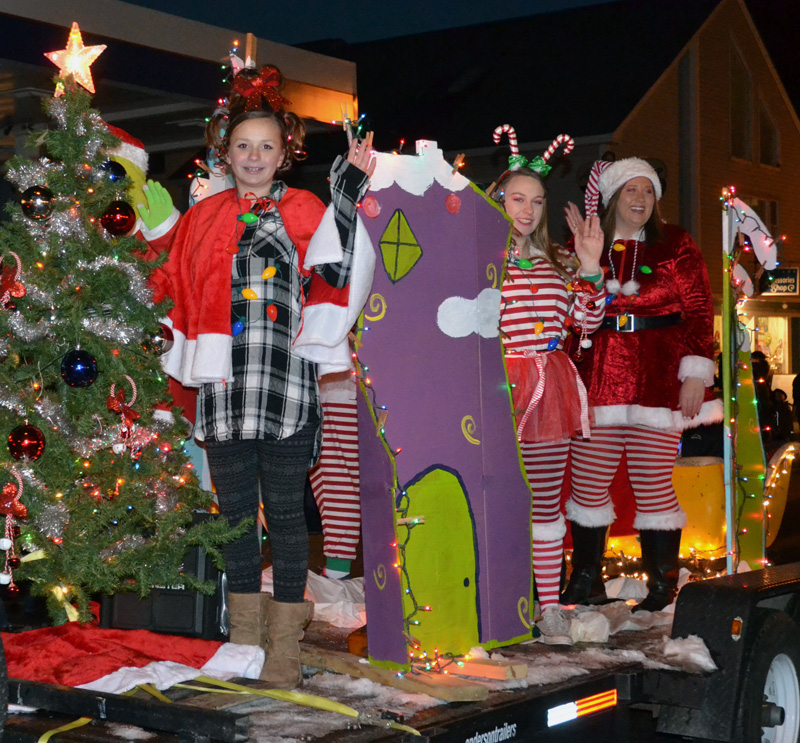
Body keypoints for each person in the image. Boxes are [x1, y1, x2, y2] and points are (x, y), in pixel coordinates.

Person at [148, 65, 375, 688]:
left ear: (284, 154)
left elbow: (341, 265)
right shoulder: (204, 217)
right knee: (234, 517)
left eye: (266, 146)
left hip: (288, 388)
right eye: (243, 145)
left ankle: (284, 647)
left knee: (286, 514)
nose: (253, 156)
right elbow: (170, 283)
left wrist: (347, 193)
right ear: (227, 152)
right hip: (224, 389)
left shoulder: (305, 209)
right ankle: (244, 639)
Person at [562, 158, 722, 612]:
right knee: (588, 484)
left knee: (654, 486)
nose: (640, 200)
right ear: (613, 198)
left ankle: (660, 587)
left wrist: (695, 373)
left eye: (648, 192)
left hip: (658, 377)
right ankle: (586, 579)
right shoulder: (586, 244)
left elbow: (697, 308)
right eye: (631, 191)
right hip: (600, 378)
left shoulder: (676, 244)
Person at [490, 128, 605, 625]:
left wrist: (592, 266)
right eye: (518, 198)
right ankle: (499, 602)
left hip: (550, 385)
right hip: (495, 387)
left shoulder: (559, 261)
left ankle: (550, 606)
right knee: (495, 496)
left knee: (543, 501)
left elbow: (588, 321)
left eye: (537, 201)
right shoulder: (479, 260)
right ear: (497, 199)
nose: (528, 210)